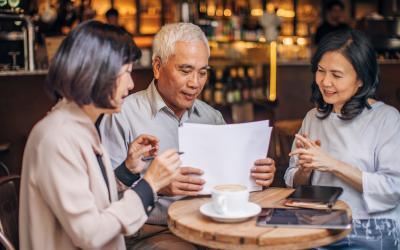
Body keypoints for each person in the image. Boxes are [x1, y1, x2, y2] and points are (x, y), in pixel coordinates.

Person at [99, 22, 276, 249]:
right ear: (157, 67)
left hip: (211, 227)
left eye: (202, 73)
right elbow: (104, 198)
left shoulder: (211, 117)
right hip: (154, 231)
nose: (195, 83)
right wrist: (156, 186)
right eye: (185, 71)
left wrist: (256, 175)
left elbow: (228, 182)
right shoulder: (123, 115)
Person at [19, 20, 182, 250]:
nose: (131, 84)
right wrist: (150, 184)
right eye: (126, 73)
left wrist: (128, 169)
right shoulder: (56, 138)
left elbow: (92, 199)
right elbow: (90, 234)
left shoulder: (81, 126)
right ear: (98, 74)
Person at [285, 29, 400, 249]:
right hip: (319, 224)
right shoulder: (314, 117)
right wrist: (305, 170)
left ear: (361, 80)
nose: (325, 82)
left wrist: (333, 165)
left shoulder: (386, 119)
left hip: (371, 229)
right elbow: (294, 181)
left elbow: (394, 188)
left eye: (336, 75)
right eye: (320, 71)